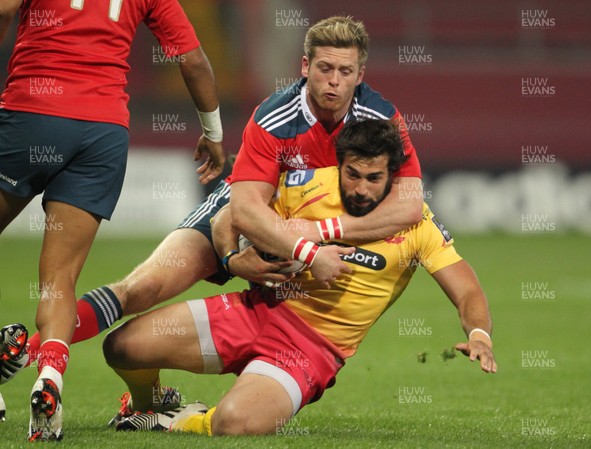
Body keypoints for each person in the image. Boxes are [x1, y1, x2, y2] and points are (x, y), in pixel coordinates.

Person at [1, 15, 424, 395]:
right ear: (304, 67)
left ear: (360, 74)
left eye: (345, 71)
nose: (333, 81)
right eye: (324, 68)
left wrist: (316, 234)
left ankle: (158, 395)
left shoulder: (381, 119)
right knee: (144, 286)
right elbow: (243, 211)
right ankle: (26, 350)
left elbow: (409, 206)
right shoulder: (274, 117)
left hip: (300, 232)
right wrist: (233, 255)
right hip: (246, 215)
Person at [102, 119, 497, 436]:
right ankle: (150, 401)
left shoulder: (418, 225)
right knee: (121, 347)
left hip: (309, 351)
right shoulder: (309, 184)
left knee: (234, 423)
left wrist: (479, 334)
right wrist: (232, 258)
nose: (360, 188)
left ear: (395, 176)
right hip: (257, 311)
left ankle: (171, 420)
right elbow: (229, 215)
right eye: (352, 174)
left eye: (373, 178)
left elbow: (467, 290)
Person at [0, 0, 224, 441]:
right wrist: (213, 133)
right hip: (102, 133)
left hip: (32, 114)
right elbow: (192, 59)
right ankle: (51, 377)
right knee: (60, 277)